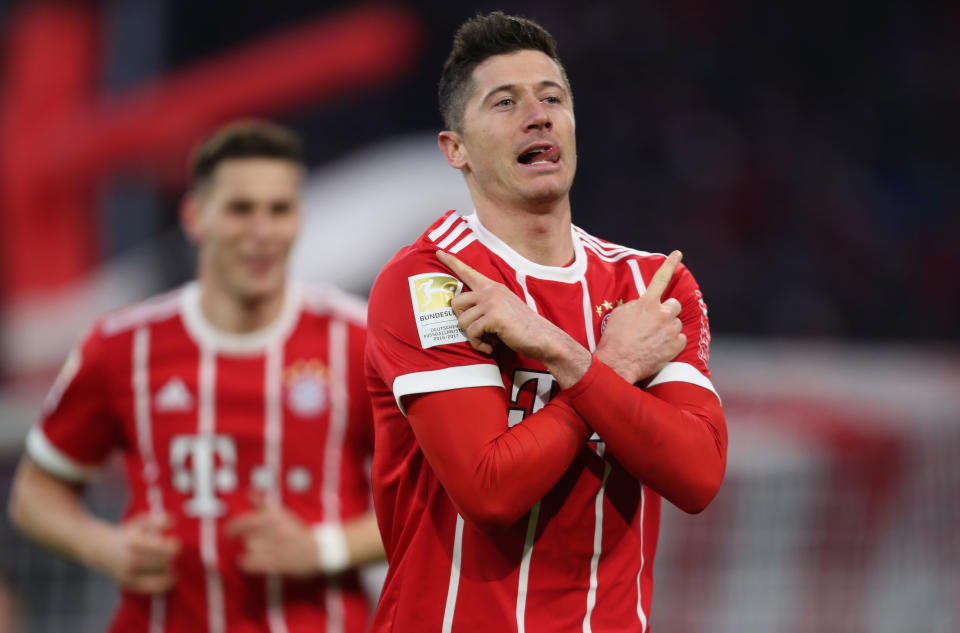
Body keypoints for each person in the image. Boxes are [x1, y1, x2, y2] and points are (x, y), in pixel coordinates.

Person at [364, 12, 727, 632]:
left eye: (552, 98)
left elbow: (696, 476)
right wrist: (608, 368)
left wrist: (560, 354)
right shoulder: (432, 281)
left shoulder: (649, 286)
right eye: (504, 103)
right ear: (456, 150)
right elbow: (489, 492)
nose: (539, 115)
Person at [8, 121, 384, 633]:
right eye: (240, 209)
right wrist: (107, 547)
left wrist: (323, 548)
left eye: (279, 210)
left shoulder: (359, 339)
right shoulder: (124, 346)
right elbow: (35, 495)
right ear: (194, 217)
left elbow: (438, 500)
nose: (261, 231)